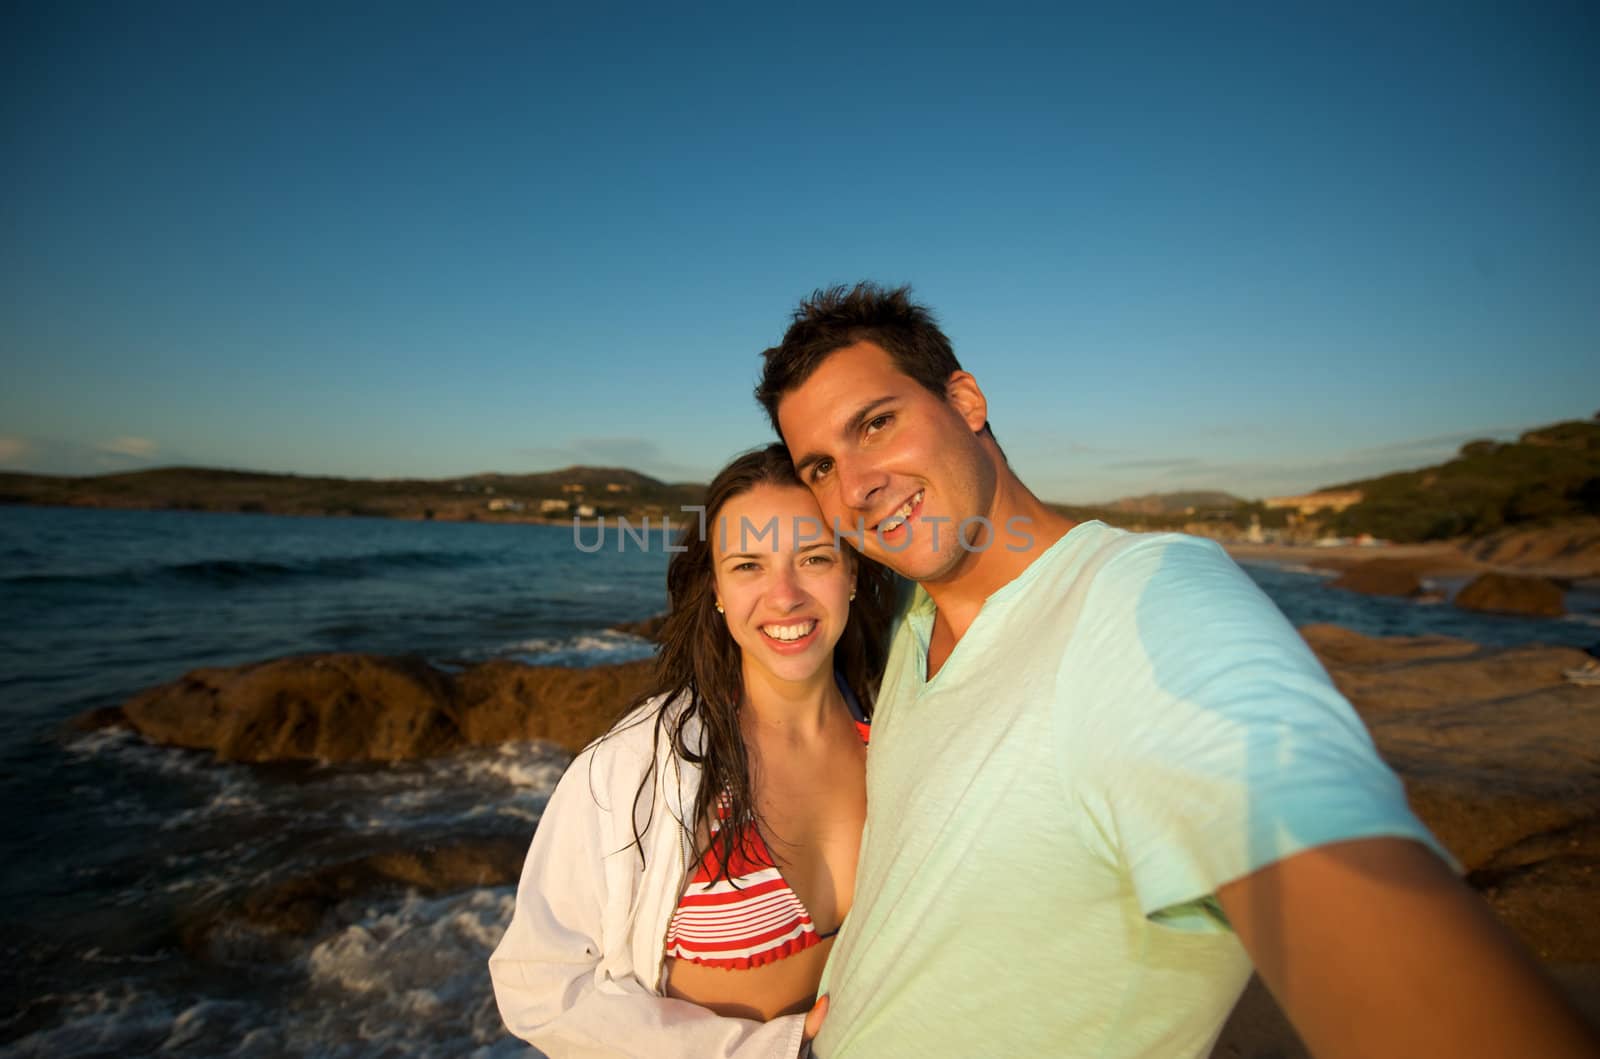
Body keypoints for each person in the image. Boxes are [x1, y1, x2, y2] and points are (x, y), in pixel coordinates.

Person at [756, 283, 1600, 1059]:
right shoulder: (911, 617)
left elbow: (1353, 896)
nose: (858, 486)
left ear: (965, 401)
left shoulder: (1148, 603)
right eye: (820, 468)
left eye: (876, 423)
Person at [489, 443, 892, 1056]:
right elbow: (538, 984)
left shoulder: (895, 734)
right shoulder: (641, 763)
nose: (784, 597)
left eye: (813, 558)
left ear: (853, 573)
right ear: (717, 590)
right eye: (748, 566)